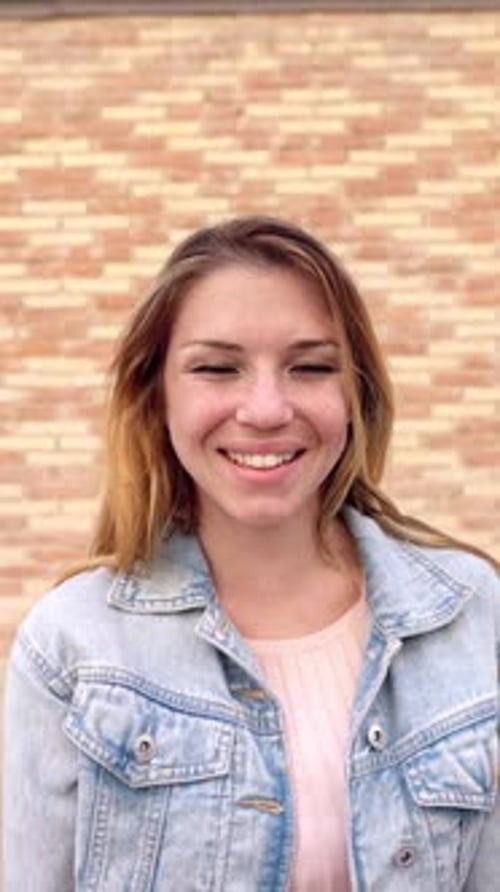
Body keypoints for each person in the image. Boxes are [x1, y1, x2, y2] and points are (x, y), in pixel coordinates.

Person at [2, 216, 498, 892]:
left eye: (311, 367)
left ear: (355, 394)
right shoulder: (73, 645)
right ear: (157, 396)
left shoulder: (476, 619)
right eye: (217, 368)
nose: (266, 408)